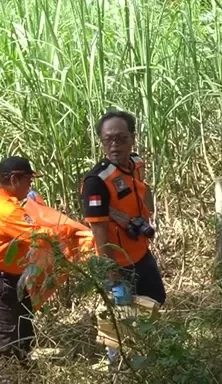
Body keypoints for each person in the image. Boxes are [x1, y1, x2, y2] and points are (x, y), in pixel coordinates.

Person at [0, 156, 68, 382]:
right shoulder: (4, 209)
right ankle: (7, 375)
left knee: (22, 323)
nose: (30, 186)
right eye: (28, 181)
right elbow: (39, 236)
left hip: (5, 276)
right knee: (5, 331)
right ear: (14, 179)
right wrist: (67, 231)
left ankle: (24, 369)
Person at [80, 110, 166, 363]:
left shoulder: (135, 164)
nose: (114, 145)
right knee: (122, 320)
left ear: (132, 138)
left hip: (140, 252)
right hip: (117, 263)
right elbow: (99, 230)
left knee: (155, 302)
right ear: (101, 142)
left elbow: (141, 195)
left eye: (121, 138)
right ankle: (121, 367)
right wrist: (109, 271)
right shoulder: (97, 181)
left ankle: (150, 356)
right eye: (108, 140)